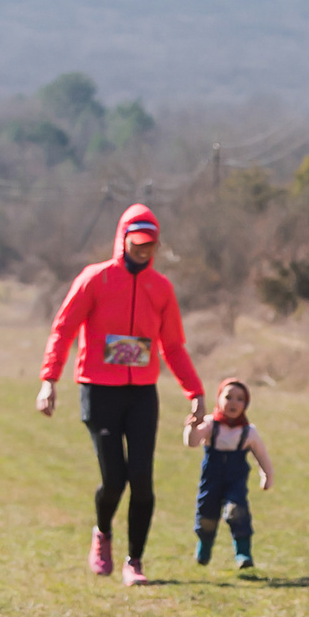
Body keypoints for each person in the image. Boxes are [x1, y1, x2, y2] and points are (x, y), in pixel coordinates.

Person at [37, 204, 206, 586]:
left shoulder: (160, 288)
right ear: (123, 240)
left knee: (143, 480)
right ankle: (102, 534)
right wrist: (49, 380)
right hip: (99, 392)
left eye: (150, 245)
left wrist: (195, 392)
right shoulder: (95, 279)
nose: (144, 251)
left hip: (141, 394)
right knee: (115, 479)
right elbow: (63, 330)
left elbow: (174, 346)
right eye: (138, 243)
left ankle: (136, 561)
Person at [184, 377, 272, 571]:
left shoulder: (248, 432)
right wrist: (191, 427)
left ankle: (243, 554)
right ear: (218, 399)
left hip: (235, 480)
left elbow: (262, 455)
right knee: (206, 515)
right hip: (211, 479)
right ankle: (204, 549)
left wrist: (266, 475)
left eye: (240, 399)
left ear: (246, 404)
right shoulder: (210, 424)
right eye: (228, 396)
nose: (233, 402)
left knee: (237, 512)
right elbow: (192, 442)